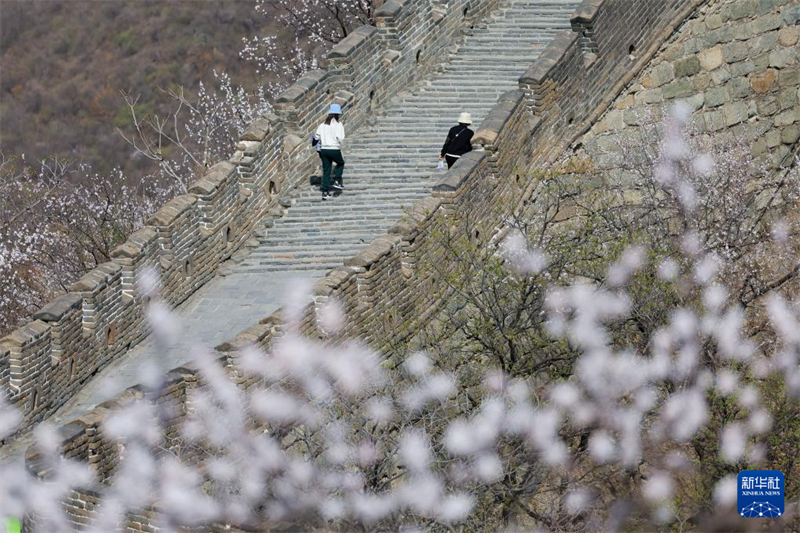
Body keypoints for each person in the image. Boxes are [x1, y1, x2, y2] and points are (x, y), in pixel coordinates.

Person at [314, 104, 346, 201]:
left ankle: (325, 192)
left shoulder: (322, 125)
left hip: (324, 150)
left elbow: (316, 137)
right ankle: (337, 180)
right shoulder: (338, 125)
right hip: (334, 149)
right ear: (337, 114)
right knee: (340, 163)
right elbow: (340, 138)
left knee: (326, 171)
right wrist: (340, 144)